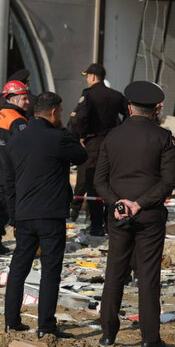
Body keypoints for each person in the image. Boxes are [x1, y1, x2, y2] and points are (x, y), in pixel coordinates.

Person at [94, 81, 175, 347]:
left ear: (129, 107)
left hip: (118, 215)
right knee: (148, 276)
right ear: (155, 109)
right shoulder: (163, 137)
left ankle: (108, 333)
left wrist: (118, 203)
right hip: (150, 215)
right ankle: (149, 339)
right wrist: (139, 204)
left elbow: (100, 181)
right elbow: (168, 183)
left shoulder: (112, 137)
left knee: (114, 272)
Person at [4, 92, 87, 338]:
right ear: (53, 112)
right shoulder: (57, 137)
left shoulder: (16, 140)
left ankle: (11, 321)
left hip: (24, 213)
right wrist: (65, 132)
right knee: (50, 270)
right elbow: (81, 155)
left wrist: (14, 215)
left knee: (18, 268)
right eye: (60, 113)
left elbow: (9, 182)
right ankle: (46, 326)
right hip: (51, 214)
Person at [68, 63, 128, 236]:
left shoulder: (88, 95)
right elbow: (129, 112)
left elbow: (80, 118)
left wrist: (80, 135)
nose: (87, 79)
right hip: (113, 142)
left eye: (88, 76)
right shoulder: (117, 96)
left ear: (93, 77)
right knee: (111, 183)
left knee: (94, 183)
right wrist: (121, 131)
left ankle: (96, 225)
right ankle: (110, 222)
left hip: (93, 143)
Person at [0, 80, 30, 254]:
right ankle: (23, 247)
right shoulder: (18, 121)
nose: (28, 102)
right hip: (14, 173)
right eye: (24, 98)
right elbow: (25, 149)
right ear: (12, 98)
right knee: (17, 211)